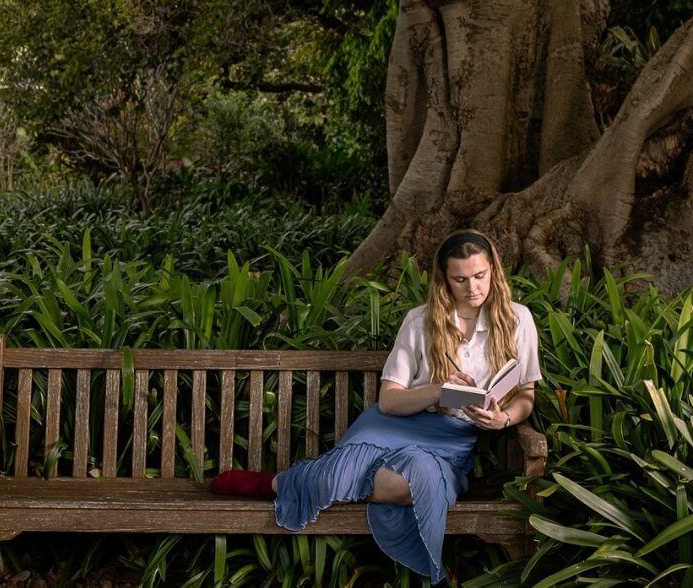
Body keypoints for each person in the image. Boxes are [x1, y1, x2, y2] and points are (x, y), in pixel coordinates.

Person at [209, 229, 541, 583]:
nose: (472, 288)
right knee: (333, 480)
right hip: (395, 425)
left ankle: (296, 481)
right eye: (460, 279)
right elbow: (390, 400)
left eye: (480, 276)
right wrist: (436, 392)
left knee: (418, 483)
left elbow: (526, 393)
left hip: (449, 443)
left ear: (494, 271)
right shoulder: (420, 321)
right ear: (444, 280)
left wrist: (503, 418)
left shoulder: (517, 320)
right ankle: (282, 483)